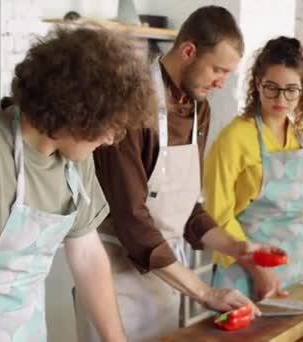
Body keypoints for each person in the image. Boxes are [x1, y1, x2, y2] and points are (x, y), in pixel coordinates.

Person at [0, 26, 156, 342]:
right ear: (75, 113)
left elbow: (88, 257)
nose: (113, 139)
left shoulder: (75, 158)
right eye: (110, 127)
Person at [86, 6, 281, 341]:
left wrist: (236, 247)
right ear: (188, 51)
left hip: (168, 275)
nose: (221, 83)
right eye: (217, 70)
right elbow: (133, 220)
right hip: (115, 275)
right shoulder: (131, 105)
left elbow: (184, 207)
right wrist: (205, 292)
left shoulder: (197, 109)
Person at [204, 37, 303, 300]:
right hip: (244, 272)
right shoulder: (234, 138)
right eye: (271, 88)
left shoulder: (302, 135)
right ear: (257, 84)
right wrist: (258, 269)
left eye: (291, 90)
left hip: (295, 268)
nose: (281, 98)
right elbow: (217, 214)